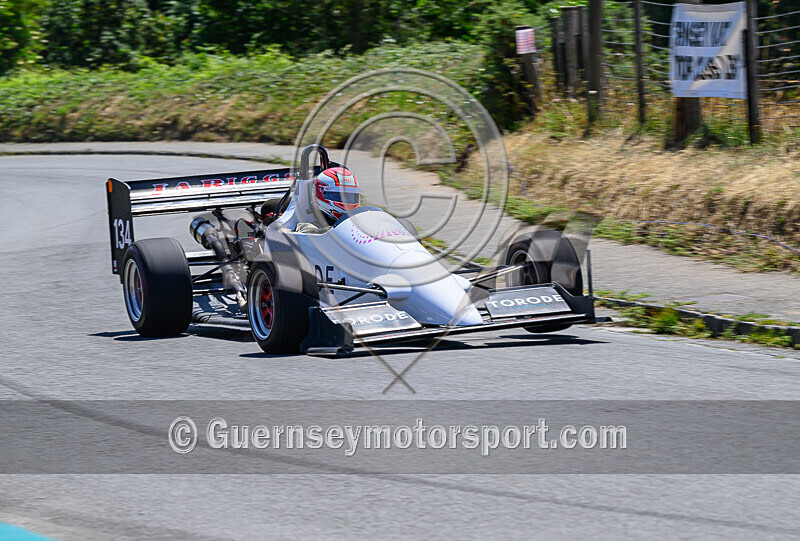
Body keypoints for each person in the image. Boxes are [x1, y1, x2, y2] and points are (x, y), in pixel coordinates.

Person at [295, 167, 360, 233]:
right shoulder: (306, 227)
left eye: (350, 196)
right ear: (320, 194)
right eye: (338, 195)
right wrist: (335, 231)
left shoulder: (357, 224)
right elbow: (308, 232)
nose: (346, 201)